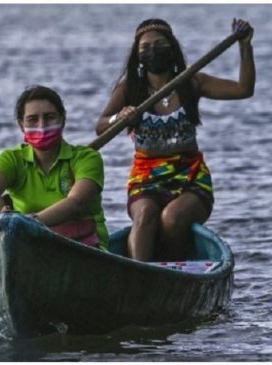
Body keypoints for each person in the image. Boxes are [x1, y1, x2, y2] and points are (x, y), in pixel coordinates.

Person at [95, 18, 255, 262]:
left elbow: (244, 89)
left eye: (159, 44)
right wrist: (120, 116)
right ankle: (140, 275)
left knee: (172, 217)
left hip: (190, 176)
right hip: (146, 177)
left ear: (172, 48)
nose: (152, 51)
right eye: (145, 48)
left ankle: (169, 274)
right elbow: (101, 126)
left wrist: (245, 47)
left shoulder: (191, 82)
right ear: (138, 57)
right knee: (145, 215)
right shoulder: (129, 88)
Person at [0, 85, 108, 256]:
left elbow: (76, 203)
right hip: (29, 243)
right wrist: (1, 218)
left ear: (62, 120)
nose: (42, 125)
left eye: (50, 117)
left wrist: (28, 223)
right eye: (32, 120)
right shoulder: (13, 158)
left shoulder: (86, 158)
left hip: (83, 246)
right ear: (21, 125)